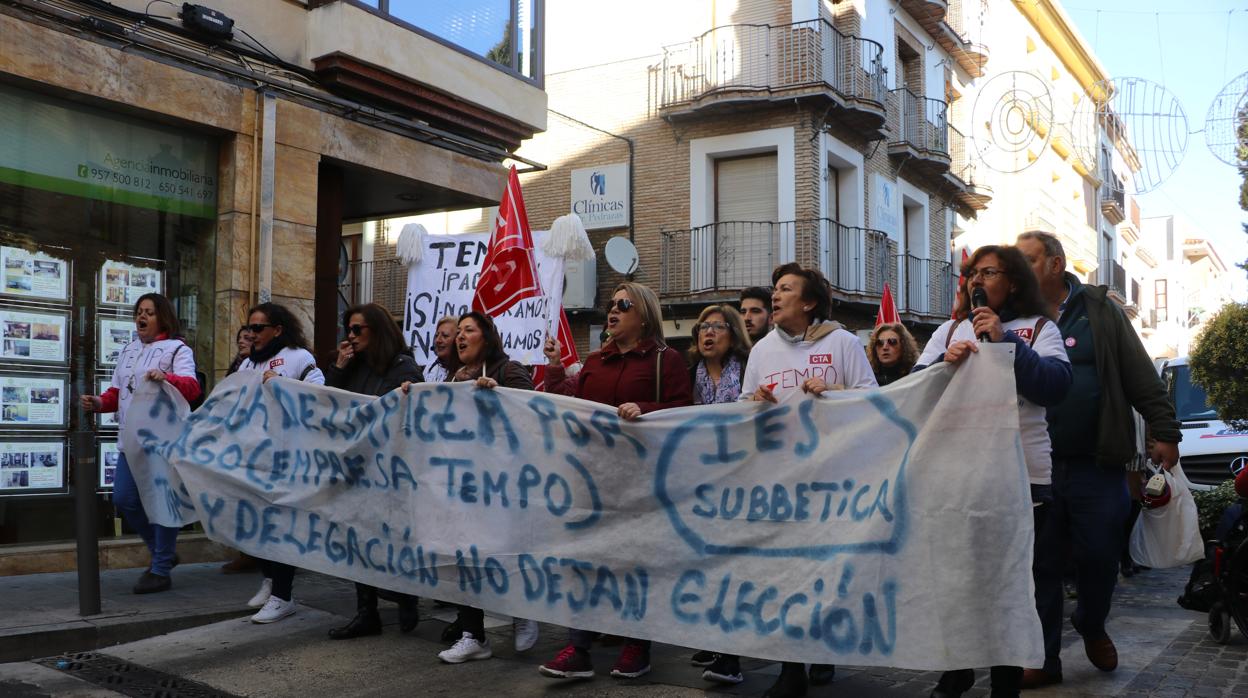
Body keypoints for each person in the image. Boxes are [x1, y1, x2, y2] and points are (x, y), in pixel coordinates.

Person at [1015, 232, 1180, 689]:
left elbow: (1138, 372)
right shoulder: (1012, 316)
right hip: (1032, 465)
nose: (1018, 268)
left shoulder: (1098, 311)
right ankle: (1044, 657)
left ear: (1055, 263)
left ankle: (1091, 621)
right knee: (1039, 563)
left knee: (1101, 555)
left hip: (1097, 460)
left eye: (1027, 259)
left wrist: (1164, 429)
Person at [915, 245, 1072, 698]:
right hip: (961, 478)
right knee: (958, 580)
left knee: (1014, 585)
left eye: (988, 272)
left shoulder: (1040, 329)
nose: (975, 281)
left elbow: (1056, 387)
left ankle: (1006, 681)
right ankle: (958, 667)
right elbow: (916, 394)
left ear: (1014, 281)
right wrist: (943, 369)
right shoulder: (949, 331)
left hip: (1025, 478)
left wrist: (1005, 344)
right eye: (971, 274)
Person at [537, 282, 692, 681]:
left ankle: (637, 645)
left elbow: (684, 412)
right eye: (611, 304)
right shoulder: (594, 361)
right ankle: (578, 647)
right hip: (593, 480)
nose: (613, 310)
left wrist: (646, 408)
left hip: (641, 482)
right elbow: (566, 404)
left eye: (623, 304)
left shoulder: (665, 360)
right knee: (587, 561)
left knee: (634, 564)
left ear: (643, 314)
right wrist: (555, 368)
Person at [740, 263, 875, 698]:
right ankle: (791, 667)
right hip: (779, 480)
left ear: (809, 301)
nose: (774, 296)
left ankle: (824, 648)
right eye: (774, 289)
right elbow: (743, 408)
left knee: (824, 570)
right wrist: (756, 402)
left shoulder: (844, 343)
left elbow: (873, 401)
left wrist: (835, 393)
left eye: (785, 289)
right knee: (785, 573)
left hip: (830, 482)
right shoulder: (761, 350)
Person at [432, 311, 542, 664]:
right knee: (465, 555)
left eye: (469, 330)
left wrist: (501, 396)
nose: (460, 337)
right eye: (458, 332)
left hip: (502, 483)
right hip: (462, 483)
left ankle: (523, 611)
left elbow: (534, 411)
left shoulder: (508, 370)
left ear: (487, 337)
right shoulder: (451, 378)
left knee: (503, 551)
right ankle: (472, 635)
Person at [80, 293, 202, 594]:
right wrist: (97, 402)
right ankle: (163, 551)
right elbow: (117, 393)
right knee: (125, 499)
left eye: (148, 312)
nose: (141, 317)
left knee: (162, 504)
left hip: (162, 441)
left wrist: (167, 377)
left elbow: (192, 389)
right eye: (138, 312)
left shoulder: (177, 349)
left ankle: (160, 568)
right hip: (130, 442)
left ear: (162, 317)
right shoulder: (129, 350)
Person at [324, 303, 424, 640]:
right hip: (358, 467)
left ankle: (403, 594)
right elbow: (331, 404)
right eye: (347, 330)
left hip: (390, 471)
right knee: (357, 538)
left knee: (388, 540)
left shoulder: (402, 367)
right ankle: (366, 612)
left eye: (357, 330)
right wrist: (338, 368)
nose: (349, 337)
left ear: (377, 331)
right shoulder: (353, 366)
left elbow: (413, 416)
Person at [237, 302, 325, 624]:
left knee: (280, 528)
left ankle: (283, 596)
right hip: (251, 457)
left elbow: (319, 395)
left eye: (259, 328)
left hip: (286, 458)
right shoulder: (246, 364)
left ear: (278, 330)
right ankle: (271, 579)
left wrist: (284, 385)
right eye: (249, 328)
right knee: (254, 526)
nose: (252, 334)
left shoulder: (299, 358)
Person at [683, 304, 752, 686]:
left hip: (741, 480)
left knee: (733, 567)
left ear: (734, 333)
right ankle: (717, 643)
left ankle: (731, 655)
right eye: (702, 327)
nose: (707, 333)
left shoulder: (746, 369)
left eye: (716, 327)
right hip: (702, 483)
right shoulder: (688, 373)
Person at [221, 324, 260, 574]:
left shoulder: (259, 366)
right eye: (241, 339)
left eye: (248, 338)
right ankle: (246, 551)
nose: (244, 342)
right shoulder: (238, 366)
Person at [868, 322, 920, 386]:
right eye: (879, 343)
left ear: (904, 346)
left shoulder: (916, 375)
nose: (885, 347)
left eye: (892, 341)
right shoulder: (867, 378)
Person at [424, 316, 461, 383]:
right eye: (436, 335)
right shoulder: (429, 369)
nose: (438, 340)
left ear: (458, 339)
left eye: (445, 336)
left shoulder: (467, 371)